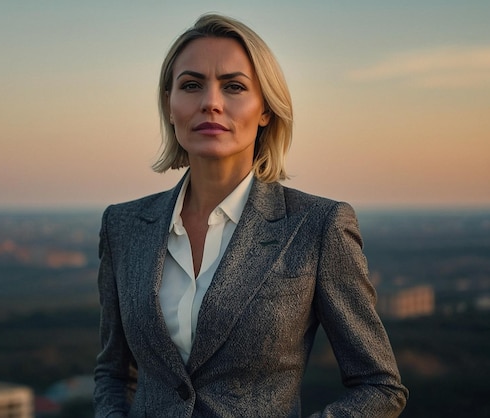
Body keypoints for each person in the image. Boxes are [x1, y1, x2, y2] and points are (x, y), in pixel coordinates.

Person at [93, 13, 408, 417]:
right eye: (191, 85)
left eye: (234, 86)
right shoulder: (122, 227)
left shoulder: (318, 227)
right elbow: (114, 374)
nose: (210, 101)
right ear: (170, 106)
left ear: (265, 110)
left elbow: (380, 386)